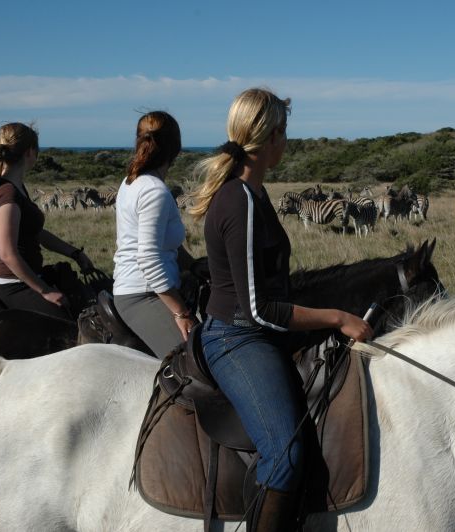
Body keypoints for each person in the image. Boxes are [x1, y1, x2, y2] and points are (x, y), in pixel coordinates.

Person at [189, 88, 373, 531]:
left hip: (254, 330)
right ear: (271, 136)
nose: (286, 141)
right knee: (284, 452)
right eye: (284, 132)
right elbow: (259, 308)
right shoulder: (241, 200)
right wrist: (336, 316)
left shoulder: (254, 193)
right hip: (237, 337)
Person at [0, 122, 94, 320]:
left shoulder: (17, 187)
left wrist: (74, 253)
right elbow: (8, 254)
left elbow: (36, 232)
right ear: (29, 152)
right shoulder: (8, 193)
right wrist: (45, 291)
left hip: (23, 278)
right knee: (67, 323)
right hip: (11, 283)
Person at [112, 111, 197, 359]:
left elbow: (162, 246)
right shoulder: (154, 191)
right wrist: (181, 313)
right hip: (144, 293)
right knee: (193, 362)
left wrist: (194, 266)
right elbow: (148, 259)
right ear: (176, 148)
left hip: (142, 288)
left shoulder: (132, 181)